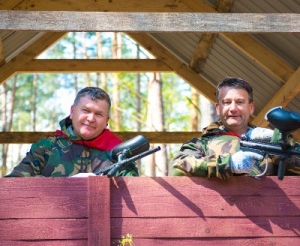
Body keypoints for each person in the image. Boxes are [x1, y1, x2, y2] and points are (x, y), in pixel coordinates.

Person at [170, 77, 300, 179]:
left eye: (240, 102)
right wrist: (229, 164)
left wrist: (281, 142)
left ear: (251, 107)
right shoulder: (201, 144)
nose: (233, 108)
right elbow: (177, 168)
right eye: (227, 102)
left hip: (269, 210)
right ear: (218, 108)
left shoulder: (269, 140)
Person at [6, 87, 138, 177]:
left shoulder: (118, 154)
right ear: (72, 112)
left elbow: (135, 191)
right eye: (85, 111)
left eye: (98, 114)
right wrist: (64, 185)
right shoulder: (47, 147)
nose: (91, 118)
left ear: (106, 120)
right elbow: (13, 184)